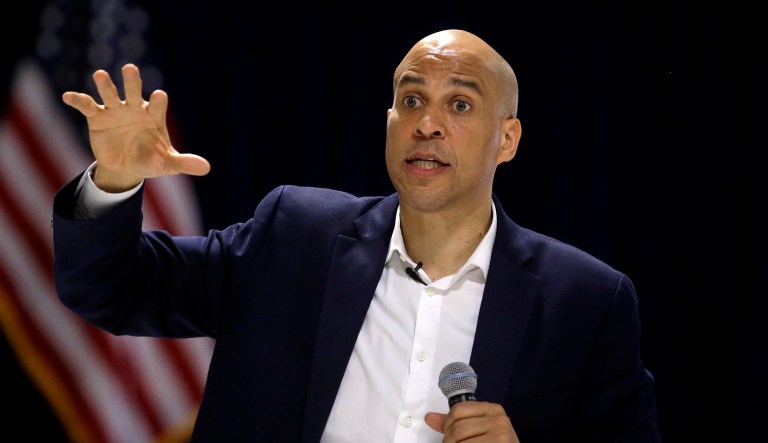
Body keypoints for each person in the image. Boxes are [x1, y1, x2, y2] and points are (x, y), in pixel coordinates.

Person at [52, 29, 661, 442]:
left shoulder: (586, 303)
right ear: (389, 124)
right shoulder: (295, 235)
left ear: (508, 139)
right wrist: (114, 180)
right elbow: (111, 287)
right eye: (412, 99)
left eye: (461, 106)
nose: (428, 124)